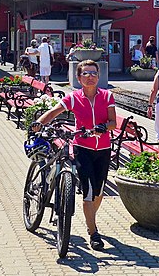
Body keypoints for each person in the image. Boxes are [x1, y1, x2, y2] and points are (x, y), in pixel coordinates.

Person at [33, 60, 116, 251]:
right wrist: (38, 123)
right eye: (85, 73)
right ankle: (93, 233)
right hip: (82, 148)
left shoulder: (107, 96)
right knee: (87, 192)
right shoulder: (74, 98)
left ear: (98, 76)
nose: (90, 76)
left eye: (93, 73)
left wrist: (104, 127)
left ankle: (90, 218)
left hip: (103, 149)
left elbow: (113, 122)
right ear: (78, 78)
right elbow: (53, 112)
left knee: (99, 192)